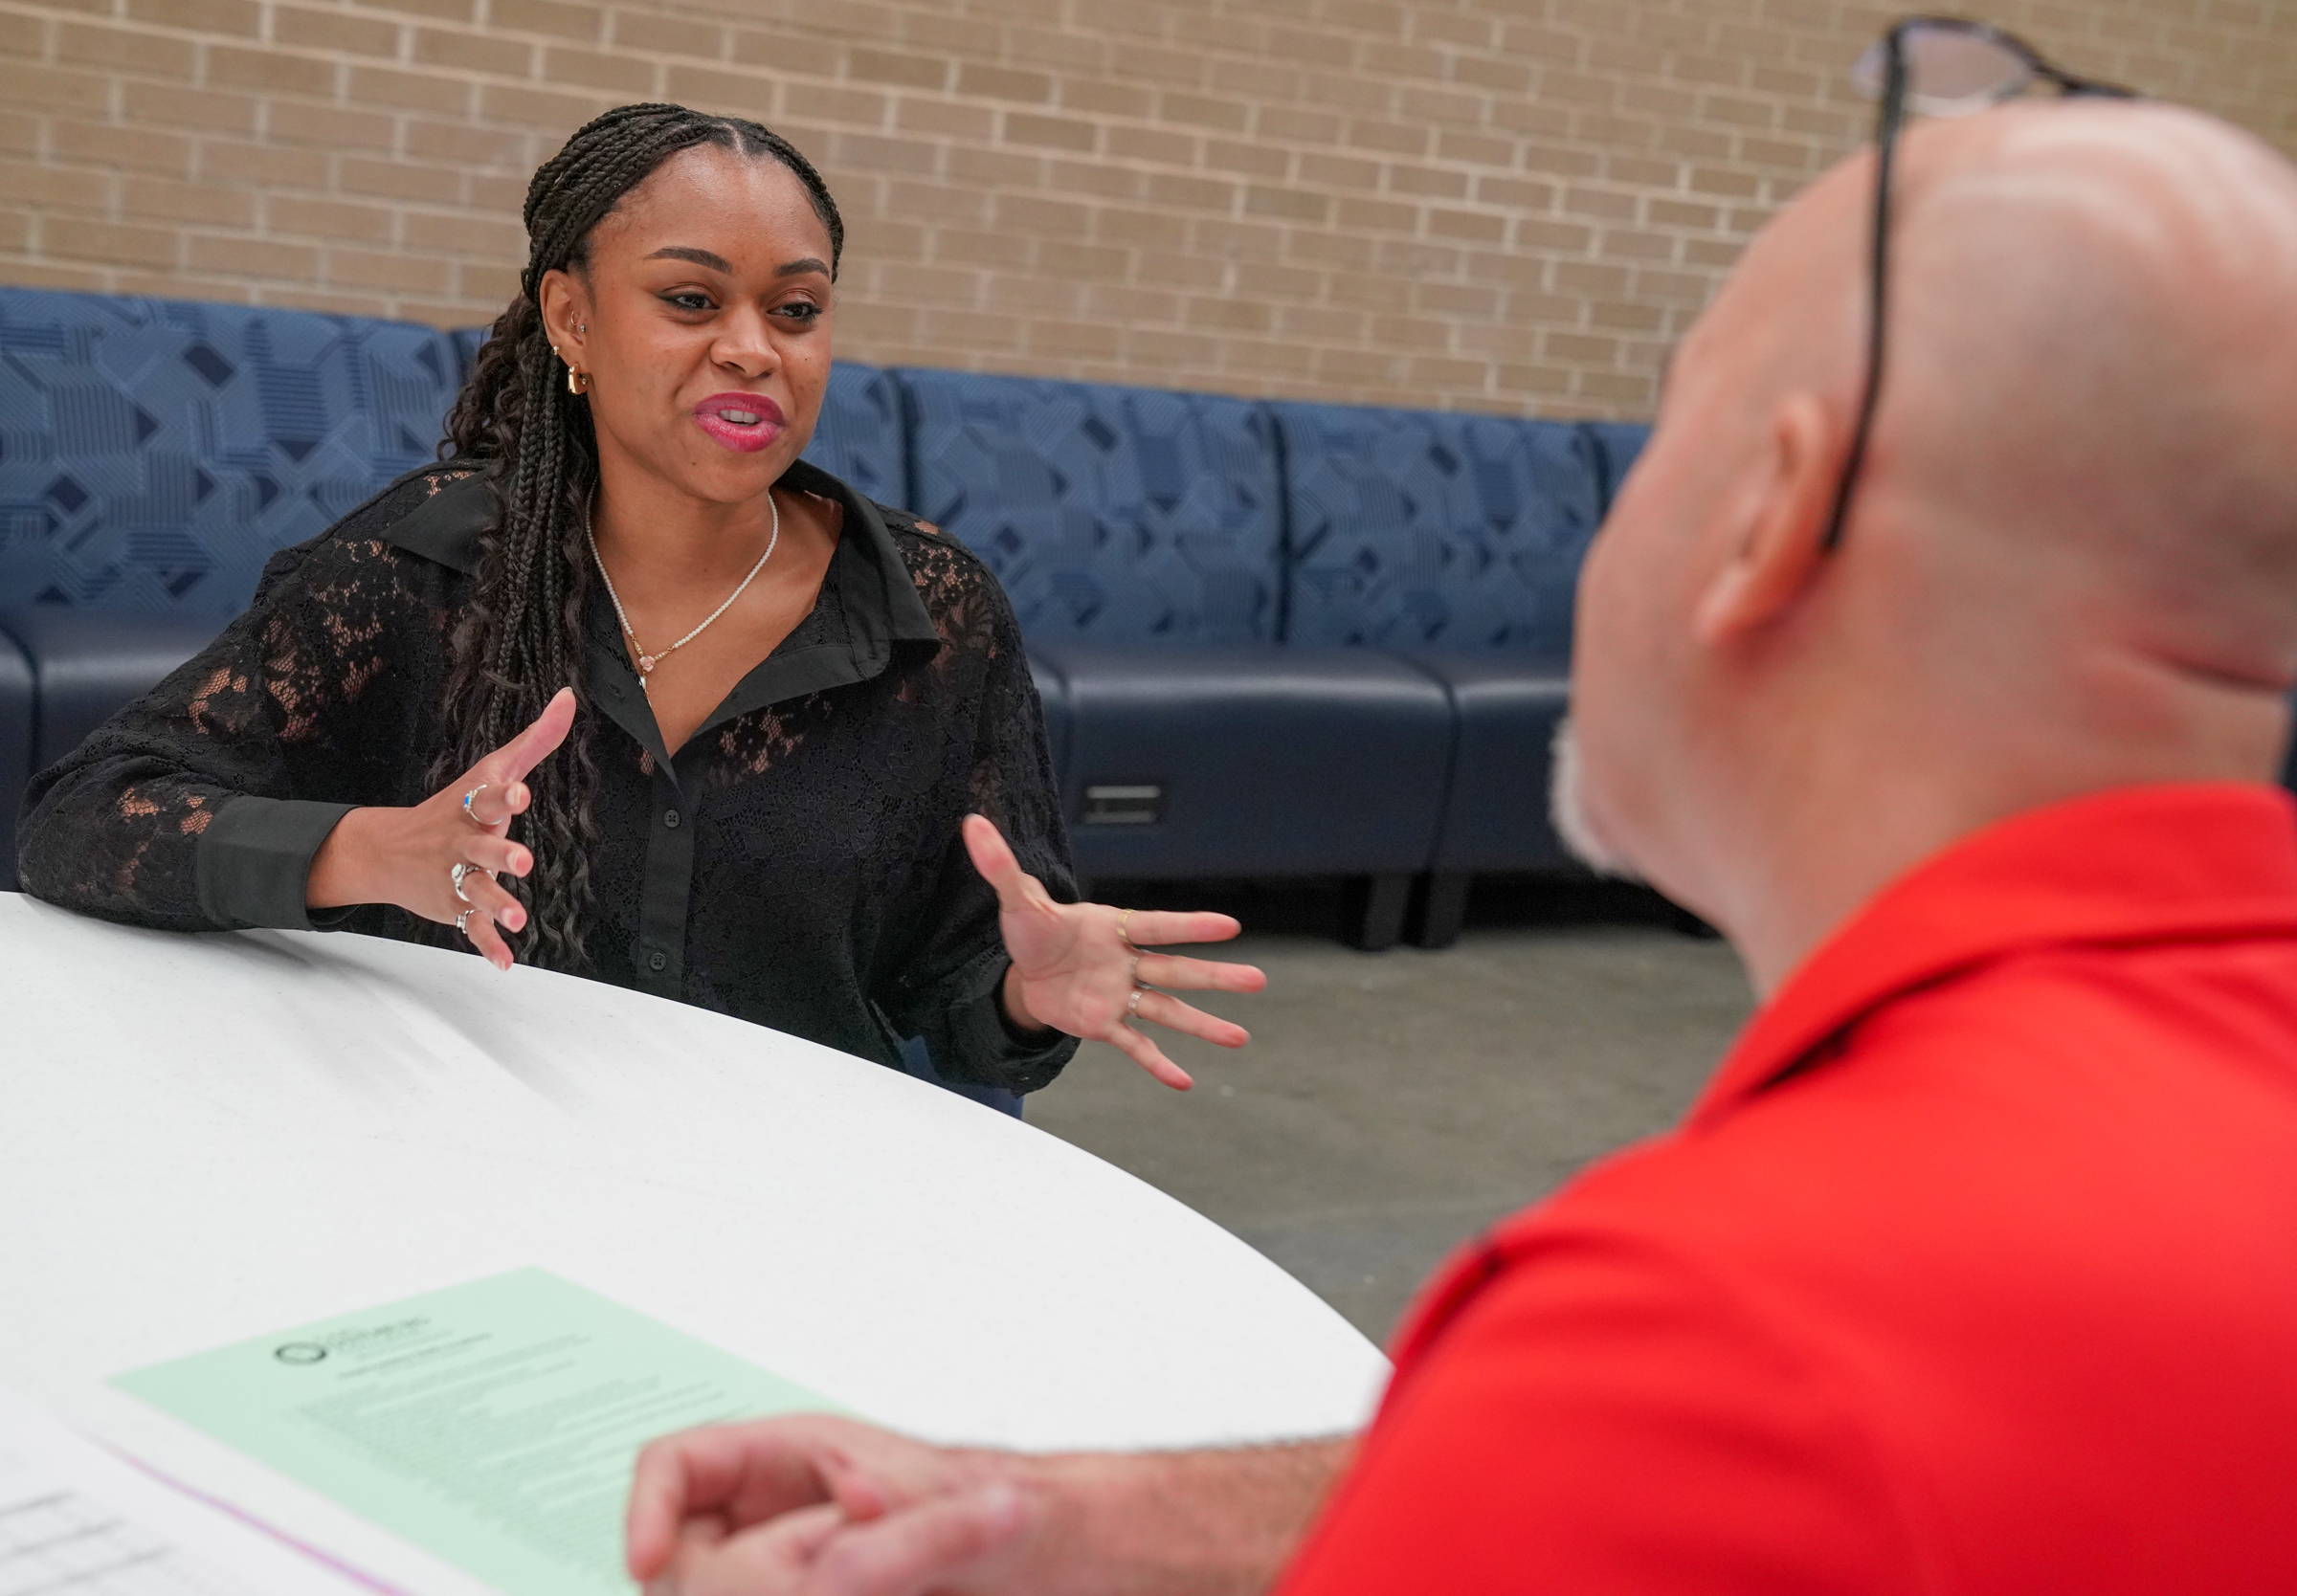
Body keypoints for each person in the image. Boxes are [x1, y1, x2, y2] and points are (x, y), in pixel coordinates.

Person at [616, 99, 2297, 1594]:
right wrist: (1058, 1516)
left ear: (1772, 516)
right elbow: (1686, 1496)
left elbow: (1703, 1443)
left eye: (1668, 421)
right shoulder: (1804, 1384)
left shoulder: (1729, 1338)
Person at [13, 103, 1261, 1097]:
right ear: (572, 317)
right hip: (444, 1162)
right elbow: (83, 822)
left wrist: (1019, 999)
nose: (753, 348)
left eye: (797, 309)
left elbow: (959, 985)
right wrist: (370, 851)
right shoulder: (429, 566)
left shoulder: (929, 620)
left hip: (780, 1193)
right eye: (689, 299)